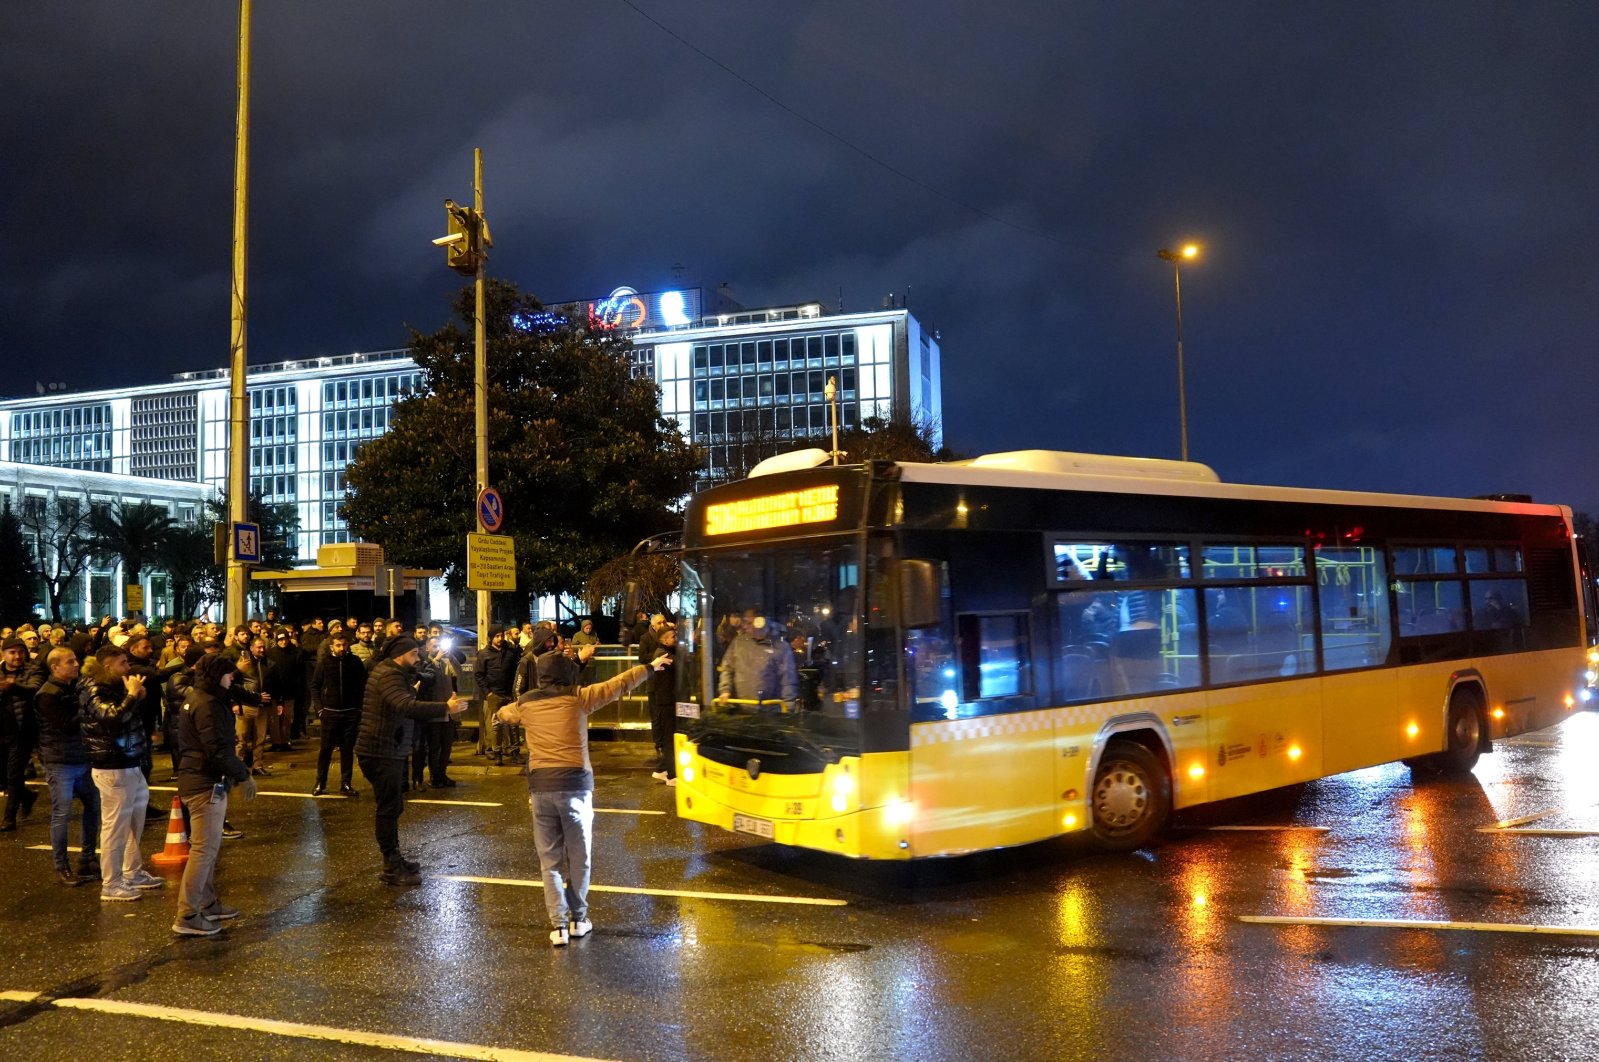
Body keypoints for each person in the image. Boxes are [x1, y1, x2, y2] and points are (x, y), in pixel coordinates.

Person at [497, 640, 667, 945]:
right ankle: (579, 919)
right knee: (579, 858)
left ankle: (558, 926)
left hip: (541, 788)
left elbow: (505, 714)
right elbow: (617, 684)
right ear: (567, 675)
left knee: (549, 862)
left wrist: (498, 714)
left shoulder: (525, 704)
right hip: (576, 786)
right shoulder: (579, 698)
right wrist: (650, 668)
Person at [354, 637, 466, 884]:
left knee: (394, 807)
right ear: (400, 654)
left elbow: (402, 701)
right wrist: (445, 707)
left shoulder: (395, 674)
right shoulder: (388, 675)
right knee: (388, 808)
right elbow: (405, 706)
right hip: (380, 750)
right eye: (414, 654)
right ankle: (391, 867)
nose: (418, 658)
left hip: (388, 749)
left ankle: (395, 859)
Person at [172, 653, 256, 936]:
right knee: (203, 851)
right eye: (229, 673)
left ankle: (207, 903)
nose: (233, 677)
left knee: (207, 849)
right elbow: (216, 748)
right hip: (203, 783)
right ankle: (188, 914)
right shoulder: (206, 704)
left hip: (201, 779)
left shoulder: (203, 697)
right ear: (216, 675)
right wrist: (243, 774)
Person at [80, 645, 165, 902]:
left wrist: (135, 697)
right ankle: (112, 882)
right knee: (115, 827)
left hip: (131, 761)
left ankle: (132, 872)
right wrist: (131, 696)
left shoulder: (115, 686)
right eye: (123, 663)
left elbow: (127, 719)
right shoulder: (93, 688)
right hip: (112, 766)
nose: (128, 668)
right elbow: (112, 719)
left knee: (134, 823)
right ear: (108, 666)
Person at [34, 647, 100, 885]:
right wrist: (86, 706)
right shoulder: (47, 694)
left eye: (75, 660)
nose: (76, 664)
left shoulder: (75, 687)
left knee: (94, 805)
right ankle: (62, 866)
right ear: (55, 667)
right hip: (60, 761)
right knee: (62, 813)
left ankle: (88, 858)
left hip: (82, 757)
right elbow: (67, 725)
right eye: (70, 661)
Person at [311, 630, 366, 796]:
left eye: (344, 645)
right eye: (338, 645)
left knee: (347, 750)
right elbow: (315, 685)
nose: (342, 648)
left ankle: (346, 783)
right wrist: (320, 708)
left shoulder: (355, 662)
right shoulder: (325, 662)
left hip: (350, 713)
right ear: (331, 646)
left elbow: (363, 685)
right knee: (325, 750)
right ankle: (320, 782)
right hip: (330, 712)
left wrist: (358, 707)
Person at [717, 612, 799, 710]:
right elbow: (727, 668)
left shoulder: (781, 647)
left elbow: (788, 679)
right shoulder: (738, 643)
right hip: (740, 710)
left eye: (748, 623)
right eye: (744, 622)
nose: (744, 626)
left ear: (760, 622)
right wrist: (725, 690)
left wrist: (788, 708)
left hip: (770, 713)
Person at [0, 636, 42, 830]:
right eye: (12, 652)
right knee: (4, 775)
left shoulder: (32, 669)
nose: (17, 656)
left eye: (20, 652)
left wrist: (11, 686)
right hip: (2, 730)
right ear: (4, 654)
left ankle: (9, 817)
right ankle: (26, 795)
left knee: (14, 774)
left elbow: (33, 689)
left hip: (23, 730)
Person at [472, 626, 520, 763]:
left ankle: (514, 751)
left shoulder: (511, 652)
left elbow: (516, 671)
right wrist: (488, 693)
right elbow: (479, 675)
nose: (499, 639)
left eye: (501, 636)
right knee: (494, 726)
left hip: (508, 693)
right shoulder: (484, 654)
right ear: (491, 638)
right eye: (496, 636)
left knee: (513, 724)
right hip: (493, 694)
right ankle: (496, 752)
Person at [647, 624, 678, 786]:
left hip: (667, 700)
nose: (676, 639)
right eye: (673, 636)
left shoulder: (666, 652)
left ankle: (661, 770)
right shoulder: (663, 654)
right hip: (666, 702)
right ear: (664, 640)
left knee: (670, 736)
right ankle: (671, 776)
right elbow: (680, 665)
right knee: (669, 738)